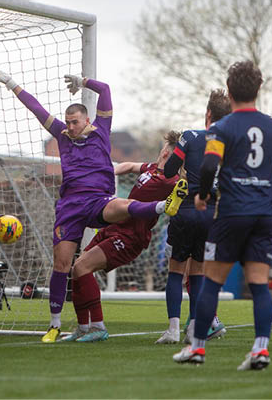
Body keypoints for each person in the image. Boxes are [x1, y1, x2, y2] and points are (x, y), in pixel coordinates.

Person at [0, 70, 188, 343]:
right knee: (65, 265)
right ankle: (59, 325)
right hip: (70, 206)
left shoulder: (101, 131)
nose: (69, 126)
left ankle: (162, 207)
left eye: (75, 122)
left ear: (86, 120)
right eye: (68, 122)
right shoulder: (61, 135)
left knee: (121, 205)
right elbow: (36, 109)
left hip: (99, 201)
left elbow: (105, 89)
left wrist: (83, 82)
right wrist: (13, 85)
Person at [172, 61, 272, 371]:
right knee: (258, 283)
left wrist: (202, 195)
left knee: (212, 281)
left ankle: (198, 348)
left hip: (231, 213)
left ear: (229, 92)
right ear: (259, 89)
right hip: (264, 215)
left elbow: (208, 165)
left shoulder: (222, 127)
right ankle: (260, 350)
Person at [60, 131, 182, 342]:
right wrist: (108, 173)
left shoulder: (171, 181)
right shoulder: (152, 168)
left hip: (130, 236)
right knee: (77, 269)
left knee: (82, 267)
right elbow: (129, 166)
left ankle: (98, 327)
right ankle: (82, 327)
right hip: (115, 226)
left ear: (165, 152)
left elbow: (185, 190)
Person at [156, 89, 232, 345]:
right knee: (198, 273)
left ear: (208, 113)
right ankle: (194, 330)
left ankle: (173, 330)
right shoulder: (230, 143)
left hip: (187, 209)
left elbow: (167, 171)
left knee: (176, 271)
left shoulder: (189, 137)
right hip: (212, 214)